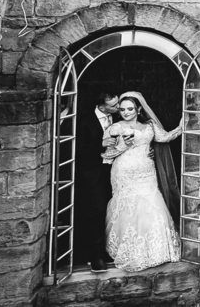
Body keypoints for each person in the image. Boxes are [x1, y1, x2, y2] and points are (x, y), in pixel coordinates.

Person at [102, 92, 183, 271]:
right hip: (123, 173)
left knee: (151, 203)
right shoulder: (114, 128)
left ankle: (156, 250)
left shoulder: (150, 125)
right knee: (127, 207)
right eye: (122, 109)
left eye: (130, 108)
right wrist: (123, 146)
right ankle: (130, 251)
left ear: (138, 109)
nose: (126, 112)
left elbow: (165, 138)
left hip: (146, 172)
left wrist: (182, 125)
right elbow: (106, 157)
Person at [77, 92, 120, 271]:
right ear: (102, 107)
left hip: (117, 171)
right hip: (93, 173)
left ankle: (113, 249)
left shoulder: (120, 118)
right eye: (114, 105)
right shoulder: (84, 121)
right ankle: (96, 256)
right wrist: (100, 143)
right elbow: (77, 150)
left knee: (115, 210)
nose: (118, 108)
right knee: (97, 212)